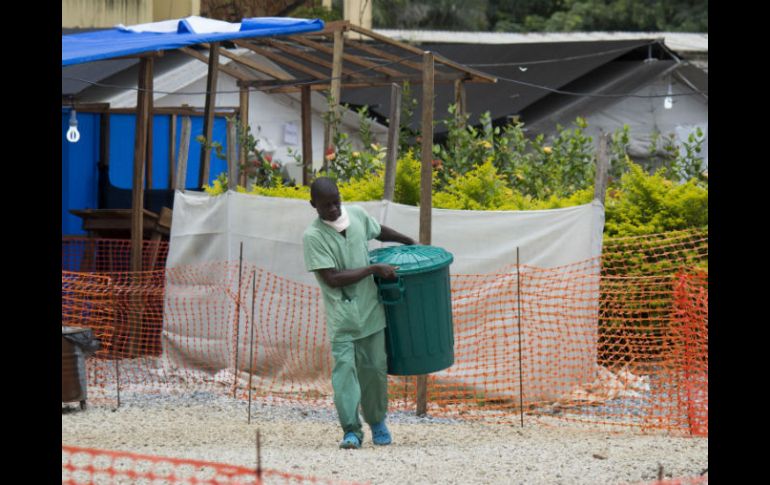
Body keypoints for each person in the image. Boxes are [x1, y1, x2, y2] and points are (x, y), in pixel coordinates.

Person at [302, 177, 416, 449]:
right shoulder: (313, 237)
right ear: (313, 205)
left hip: (370, 312)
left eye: (336, 201)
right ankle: (351, 431)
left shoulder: (356, 215)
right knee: (345, 376)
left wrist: (406, 240)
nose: (333, 209)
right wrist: (373, 269)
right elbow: (332, 278)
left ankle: (377, 422)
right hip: (343, 318)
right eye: (326, 205)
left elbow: (377, 230)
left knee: (374, 370)